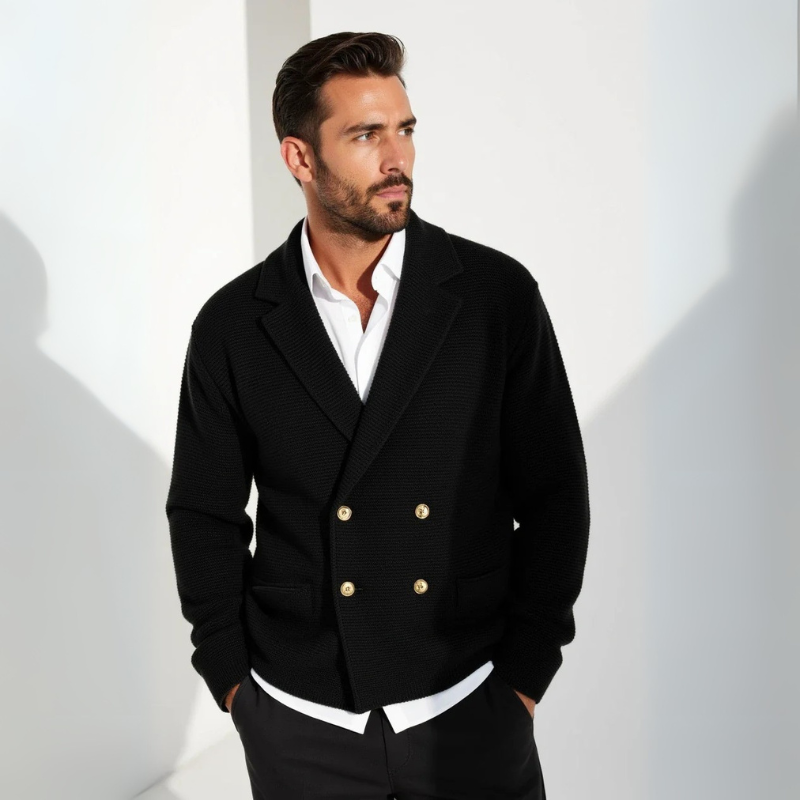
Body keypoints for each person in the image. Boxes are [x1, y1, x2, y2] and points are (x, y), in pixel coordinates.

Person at [165, 30, 590, 800]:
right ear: (300, 158)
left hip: (466, 702)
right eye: (366, 135)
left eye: (405, 129)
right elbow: (204, 513)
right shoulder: (233, 326)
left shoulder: (493, 299)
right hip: (301, 718)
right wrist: (233, 682)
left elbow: (555, 495)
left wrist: (525, 676)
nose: (398, 158)